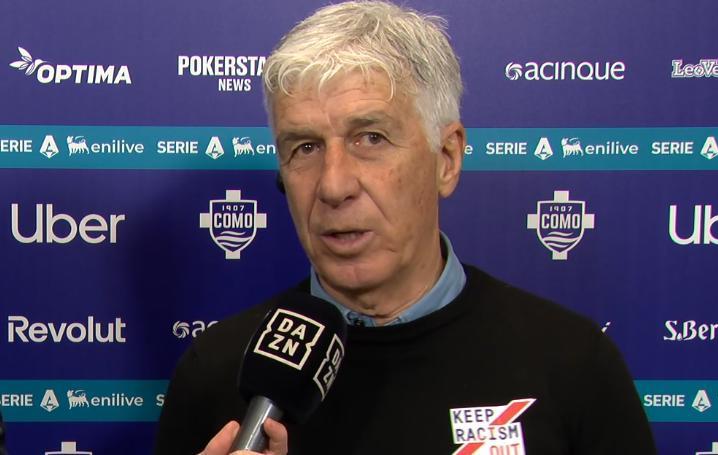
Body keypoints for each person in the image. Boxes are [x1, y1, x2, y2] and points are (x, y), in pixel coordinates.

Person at [155, 2, 656, 454]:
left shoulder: (573, 363)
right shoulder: (218, 373)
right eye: (305, 147)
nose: (333, 185)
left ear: (446, 158)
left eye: (370, 138)